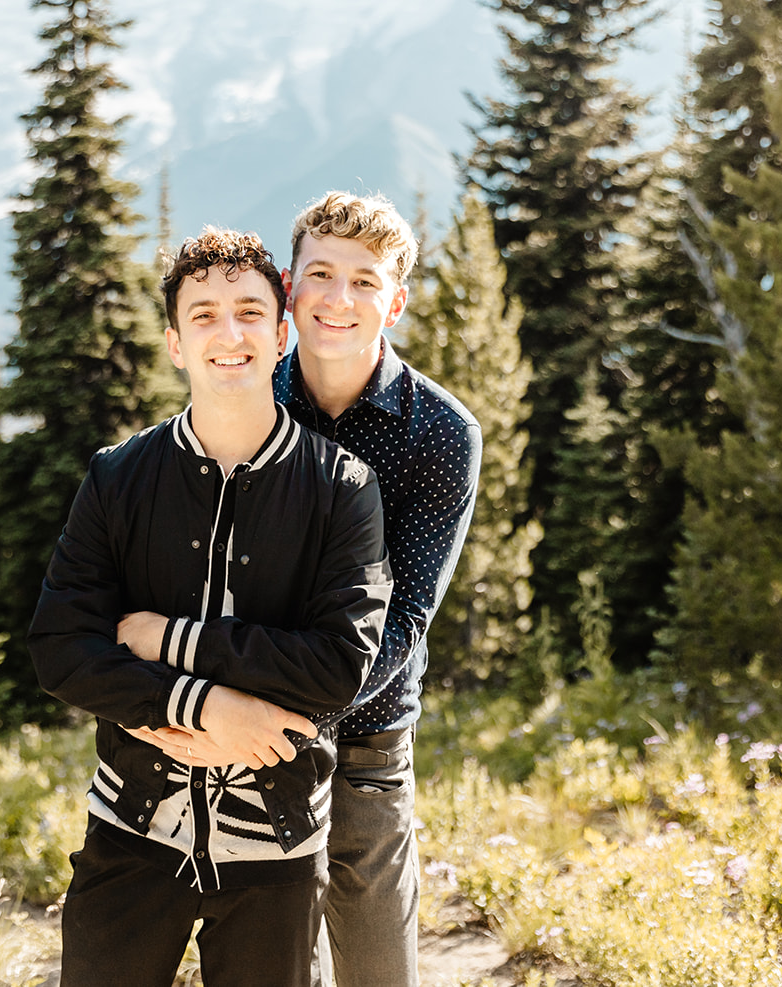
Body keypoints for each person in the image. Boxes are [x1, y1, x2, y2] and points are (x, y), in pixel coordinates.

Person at [28, 227, 393, 987]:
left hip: (280, 849)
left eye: (250, 313)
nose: (229, 333)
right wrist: (201, 705)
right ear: (174, 343)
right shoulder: (118, 477)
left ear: (283, 332)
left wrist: (170, 641)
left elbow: (337, 667)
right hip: (130, 832)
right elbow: (62, 648)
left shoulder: (342, 488)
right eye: (204, 316)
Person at [136, 192, 482, 987]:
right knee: (274, 967)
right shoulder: (247, 390)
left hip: (361, 737)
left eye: (365, 281)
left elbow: (404, 623)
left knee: (375, 968)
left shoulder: (440, 433)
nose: (338, 297)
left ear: (394, 301)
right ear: (290, 288)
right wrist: (208, 708)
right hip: (239, 722)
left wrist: (274, 723)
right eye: (320, 273)